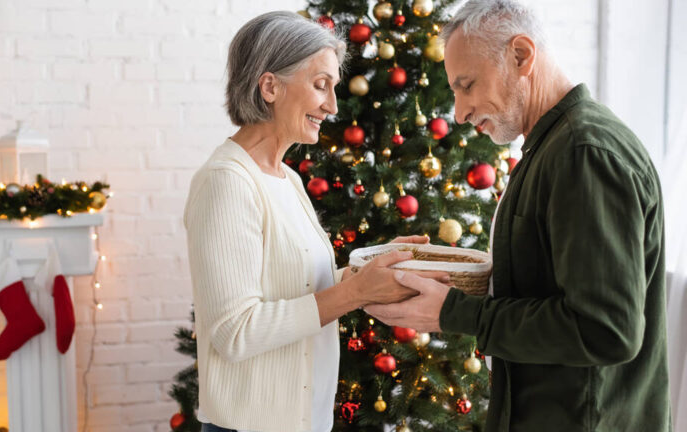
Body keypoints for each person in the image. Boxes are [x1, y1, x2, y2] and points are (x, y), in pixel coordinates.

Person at [365, 1, 672, 431]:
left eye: (467, 85)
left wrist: (455, 313)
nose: (459, 112)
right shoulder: (553, 148)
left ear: (521, 56)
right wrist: (448, 278)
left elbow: (606, 329)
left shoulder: (583, 153)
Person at [184, 11, 448, 432]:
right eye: (320, 85)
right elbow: (234, 333)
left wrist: (377, 266)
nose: (333, 105)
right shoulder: (226, 182)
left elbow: (302, 290)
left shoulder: (286, 178)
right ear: (270, 86)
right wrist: (355, 292)